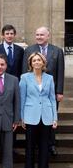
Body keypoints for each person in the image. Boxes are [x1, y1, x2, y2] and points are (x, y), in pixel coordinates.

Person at [22, 26, 64, 157]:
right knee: (34, 121)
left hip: (50, 93)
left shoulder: (57, 51)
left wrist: (59, 91)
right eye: (37, 35)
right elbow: (25, 70)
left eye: (41, 35)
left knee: (50, 119)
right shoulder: (29, 50)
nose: (39, 37)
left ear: (48, 36)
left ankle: (50, 145)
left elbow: (60, 72)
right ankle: (34, 145)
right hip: (33, 92)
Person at [20, 52, 57, 168]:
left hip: (46, 116)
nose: (36, 62)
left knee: (44, 148)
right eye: (34, 60)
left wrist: (55, 117)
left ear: (43, 63)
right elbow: (22, 98)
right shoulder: (24, 78)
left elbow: (52, 99)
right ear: (30, 63)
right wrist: (22, 118)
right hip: (30, 116)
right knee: (30, 148)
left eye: (39, 60)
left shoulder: (49, 78)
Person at [0, 24, 25, 156]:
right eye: (7, 33)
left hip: (14, 87)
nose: (9, 36)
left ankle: (11, 146)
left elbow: (22, 68)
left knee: (12, 115)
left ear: (14, 34)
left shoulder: (20, 50)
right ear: (3, 35)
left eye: (11, 33)